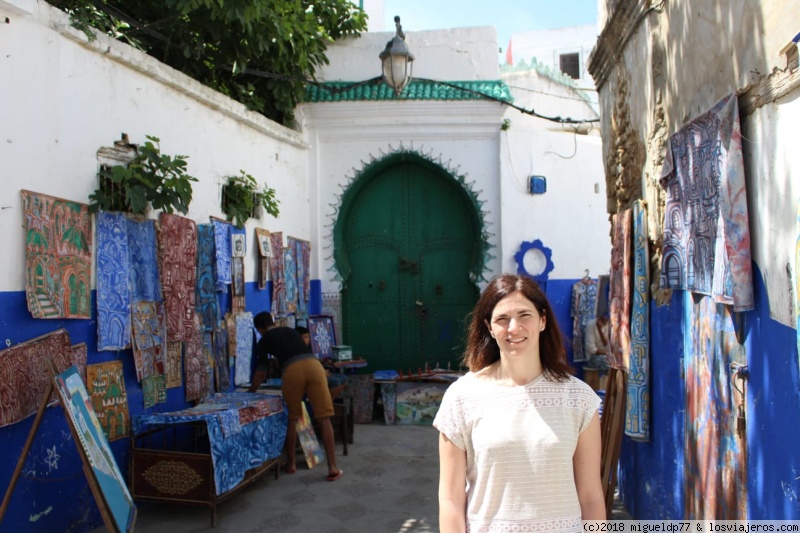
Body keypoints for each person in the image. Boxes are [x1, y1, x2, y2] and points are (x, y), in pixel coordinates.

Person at [433, 273, 605, 532]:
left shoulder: (579, 400)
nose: (514, 327)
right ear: (489, 328)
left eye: (525, 315)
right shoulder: (461, 398)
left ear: (543, 320)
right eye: (502, 319)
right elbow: (450, 500)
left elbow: (591, 498)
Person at [249, 312, 343, 481]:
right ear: (272, 322)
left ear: (260, 329)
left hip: (292, 371)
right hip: (315, 366)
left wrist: (251, 391)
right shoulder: (291, 331)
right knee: (325, 418)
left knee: (293, 418)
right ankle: (333, 467)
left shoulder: (263, 341)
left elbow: (261, 372)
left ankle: (291, 464)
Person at [295, 325, 348, 401]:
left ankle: (327, 402)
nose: (308, 340)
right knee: (336, 382)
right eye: (305, 337)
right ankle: (325, 404)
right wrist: (321, 373)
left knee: (344, 378)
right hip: (309, 377)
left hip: (318, 373)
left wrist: (323, 371)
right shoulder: (297, 351)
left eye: (308, 337)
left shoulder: (308, 349)